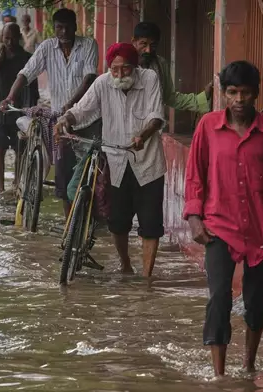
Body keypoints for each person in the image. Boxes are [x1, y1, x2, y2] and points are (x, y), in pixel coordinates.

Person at [182, 61, 263, 377]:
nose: (239, 100)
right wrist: (194, 218)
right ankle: (219, 374)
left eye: (245, 93)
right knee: (219, 296)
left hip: (261, 229)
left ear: (256, 94)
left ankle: (249, 363)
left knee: (255, 302)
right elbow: (195, 176)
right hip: (219, 227)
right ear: (222, 94)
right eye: (232, 92)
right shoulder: (207, 126)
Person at [54, 43, 166, 277]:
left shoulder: (150, 79)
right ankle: (125, 265)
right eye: (114, 69)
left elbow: (156, 115)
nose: (119, 74)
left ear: (134, 67)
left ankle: (147, 278)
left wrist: (143, 136)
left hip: (148, 161)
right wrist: (65, 119)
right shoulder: (103, 83)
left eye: (125, 69)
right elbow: (82, 109)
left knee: (151, 223)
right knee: (118, 220)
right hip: (115, 161)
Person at [1, 8, 100, 218]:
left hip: (88, 118)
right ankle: (69, 223)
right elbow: (26, 73)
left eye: (67, 27)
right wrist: (10, 97)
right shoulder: (47, 47)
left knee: (92, 171)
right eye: (59, 28)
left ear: (75, 27)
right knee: (64, 174)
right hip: (61, 122)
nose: (63, 32)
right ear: (54, 29)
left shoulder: (88, 45)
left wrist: (71, 104)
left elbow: (89, 78)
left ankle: (91, 218)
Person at [0, 23, 38, 196]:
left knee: (20, 149)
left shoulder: (27, 58)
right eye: (6, 38)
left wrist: (31, 108)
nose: (9, 42)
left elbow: (33, 86)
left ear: (19, 36)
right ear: (2, 37)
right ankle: (1, 189)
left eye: (12, 38)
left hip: (19, 109)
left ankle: (18, 184)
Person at [132, 22, 213, 114]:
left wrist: (202, 98)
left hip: (152, 122)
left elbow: (169, 97)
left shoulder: (160, 63)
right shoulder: (124, 63)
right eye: (143, 44)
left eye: (153, 45)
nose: (148, 50)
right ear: (134, 42)